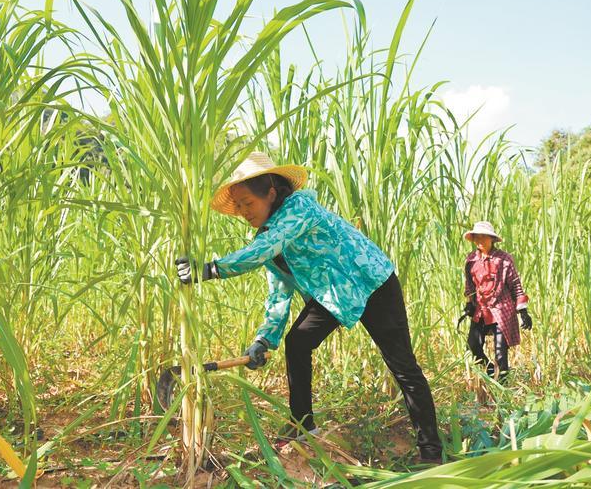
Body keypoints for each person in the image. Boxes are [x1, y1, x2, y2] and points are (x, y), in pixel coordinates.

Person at [175, 151, 442, 462]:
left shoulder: (299, 208)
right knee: (297, 342)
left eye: (248, 203)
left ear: (271, 194)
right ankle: (303, 427)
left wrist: (212, 269)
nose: (244, 212)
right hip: (332, 294)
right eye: (239, 206)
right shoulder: (268, 239)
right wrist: (263, 340)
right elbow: (278, 295)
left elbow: (262, 249)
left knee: (403, 367)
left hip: (372, 282)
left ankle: (431, 451)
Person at [460, 221, 533, 382]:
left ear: (491, 239)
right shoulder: (471, 260)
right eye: (477, 237)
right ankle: (492, 371)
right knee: (473, 344)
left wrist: (523, 311)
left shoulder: (504, 260)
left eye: (483, 237)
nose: (480, 240)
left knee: (500, 351)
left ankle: (503, 387)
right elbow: (469, 285)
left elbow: (515, 285)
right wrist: (469, 304)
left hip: (501, 309)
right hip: (481, 310)